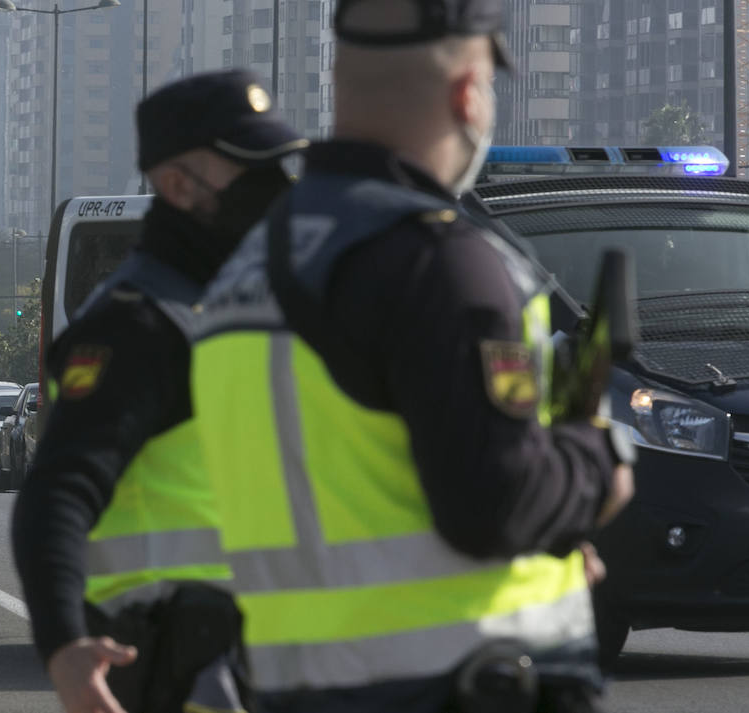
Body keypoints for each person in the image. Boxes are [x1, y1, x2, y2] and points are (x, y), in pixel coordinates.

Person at [189, 1, 634, 712]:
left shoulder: (248, 271)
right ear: (467, 94)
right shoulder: (438, 263)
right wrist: (598, 460)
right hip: (455, 686)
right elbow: (493, 503)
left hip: (294, 688)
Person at [12, 69, 307, 713]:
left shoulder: (248, 312)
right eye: (255, 171)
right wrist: (65, 650)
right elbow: (56, 494)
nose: (280, 189)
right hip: (174, 671)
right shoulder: (134, 327)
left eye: (285, 166)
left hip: (269, 665)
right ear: (178, 183)